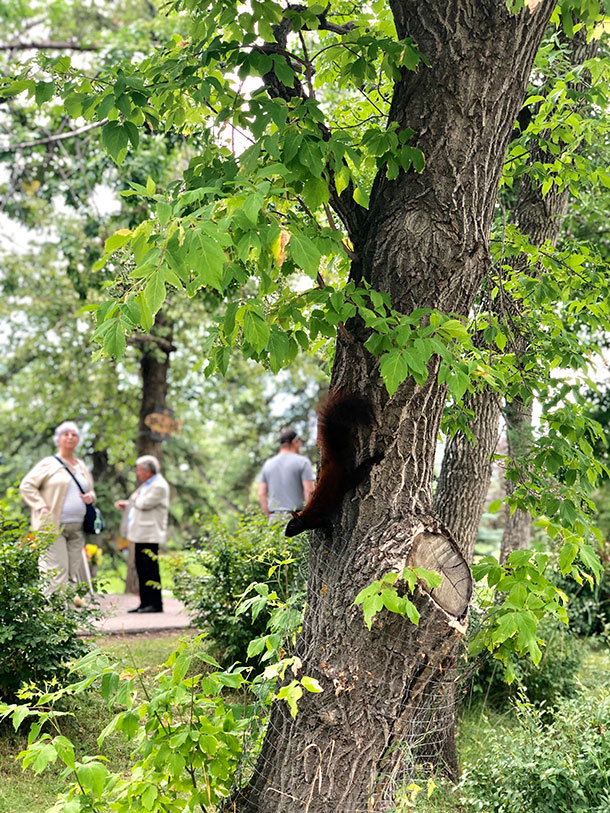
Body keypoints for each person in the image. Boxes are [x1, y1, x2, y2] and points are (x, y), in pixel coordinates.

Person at [19, 421, 96, 594]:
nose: (70, 437)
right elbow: (27, 485)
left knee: (72, 573)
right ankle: (52, 616)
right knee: (55, 573)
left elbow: (90, 490)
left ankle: (67, 616)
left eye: (74, 434)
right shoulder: (49, 463)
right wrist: (41, 506)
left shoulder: (81, 466)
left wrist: (91, 497)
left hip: (77, 527)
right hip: (53, 527)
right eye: (66, 434)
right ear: (58, 439)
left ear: (78, 440)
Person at [115, 455, 169, 614]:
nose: (137, 473)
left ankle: (155, 603)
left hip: (150, 534)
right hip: (140, 534)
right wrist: (128, 503)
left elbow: (144, 503)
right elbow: (136, 501)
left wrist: (135, 500)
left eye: (139, 469)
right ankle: (144, 602)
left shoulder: (159, 485)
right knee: (141, 569)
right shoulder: (146, 485)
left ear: (148, 470)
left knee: (150, 569)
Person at [257, 428, 315, 523]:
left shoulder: (268, 464)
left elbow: (261, 494)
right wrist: (307, 518)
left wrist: (270, 516)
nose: (300, 445)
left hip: (274, 518)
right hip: (296, 518)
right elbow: (309, 491)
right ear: (295, 442)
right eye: (300, 442)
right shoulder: (303, 462)